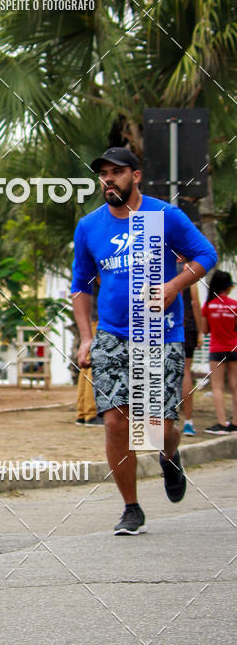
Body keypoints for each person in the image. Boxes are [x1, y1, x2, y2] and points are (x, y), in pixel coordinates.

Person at [72, 147, 217, 535]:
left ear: (135, 176)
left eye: (116, 172)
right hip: (112, 336)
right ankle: (131, 507)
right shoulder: (90, 226)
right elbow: (81, 287)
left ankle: (169, 456)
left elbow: (206, 253)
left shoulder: (162, 216)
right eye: (103, 173)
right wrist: (86, 338)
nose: (108, 180)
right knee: (116, 421)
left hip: (158, 332)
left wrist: (174, 285)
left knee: (158, 426)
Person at [201, 270, 237, 434]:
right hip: (234, 348)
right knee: (235, 386)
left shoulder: (208, 305)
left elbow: (204, 330)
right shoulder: (235, 305)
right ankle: (235, 423)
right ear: (228, 287)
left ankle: (222, 423)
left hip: (217, 349)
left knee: (217, 387)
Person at [75, 279, 103, 426]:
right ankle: (92, 412)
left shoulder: (84, 269)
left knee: (86, 365)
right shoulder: (98, 268)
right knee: (94, 364)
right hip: (99, 319)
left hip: (91, 320)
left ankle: (82, 412)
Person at [180, 264, 203, 436]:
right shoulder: (188, 271)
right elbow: (195, 303)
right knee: (186, 372)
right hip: (186, 327)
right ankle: (188, 422)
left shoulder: (158, 268)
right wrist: (200, 331)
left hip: (162, 327)